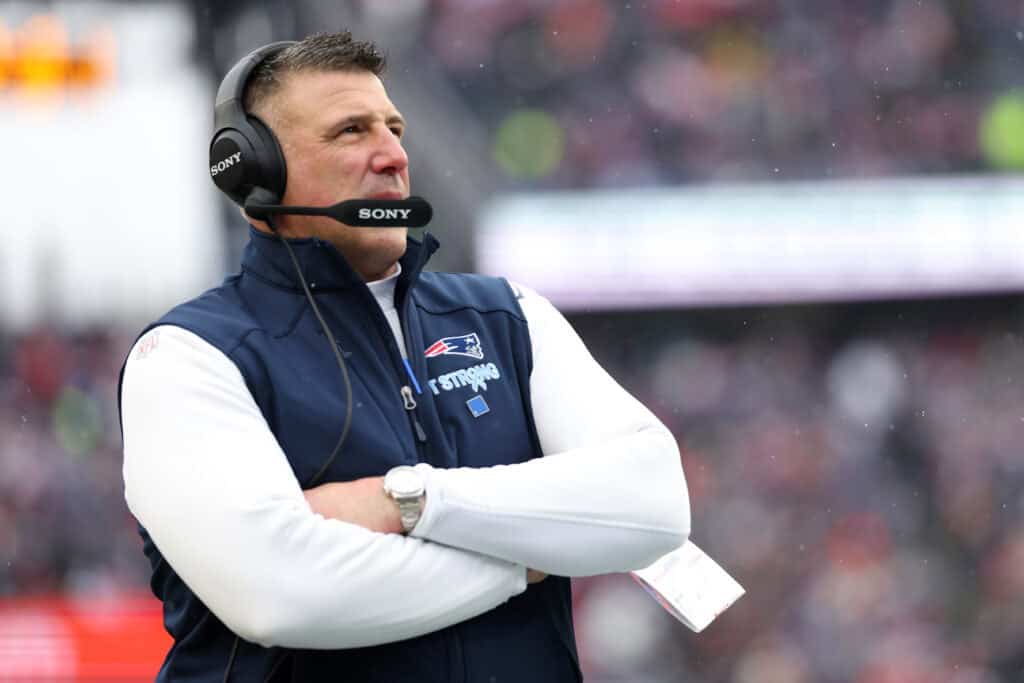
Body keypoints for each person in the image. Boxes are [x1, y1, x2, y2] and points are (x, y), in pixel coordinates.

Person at [119, 32, 690, 683]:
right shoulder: (187, 357)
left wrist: (408, 501)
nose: (393, 155)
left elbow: (655, 502)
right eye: (350, 131)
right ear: (253, 171)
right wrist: (532, 554)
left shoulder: (508, 315)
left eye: (394, 128)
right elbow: (282, 592)